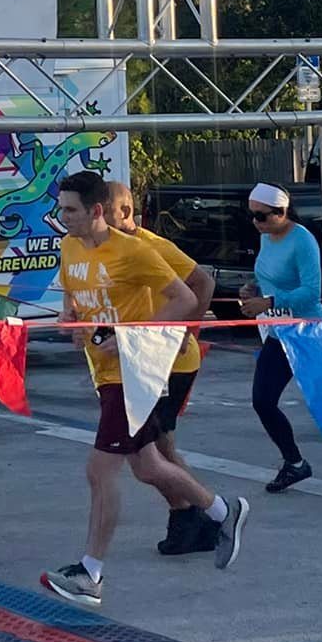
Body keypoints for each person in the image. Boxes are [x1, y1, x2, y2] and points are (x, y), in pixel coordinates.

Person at [41, 171, 249, 607]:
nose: (63, 219)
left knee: (100, 471)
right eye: (62, 210)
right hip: (103, 372)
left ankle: (91, 573)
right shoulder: (68, 247)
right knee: (148, 466)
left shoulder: (134, 251)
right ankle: (222, 511)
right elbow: (73, 307)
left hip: (133, 372)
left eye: (71, 211)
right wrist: (72, 325)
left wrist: (132, 335)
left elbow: (186, 298)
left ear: (96, 211)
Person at [104, 181, 220, 555]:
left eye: (106, 214)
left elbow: (202, 281)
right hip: (143, 359)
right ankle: (191, 516)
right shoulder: (107, 250)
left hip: (172, 362)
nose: (100, 222)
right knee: (155, 450)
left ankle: (202, 515)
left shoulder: (152, 246)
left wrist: (189, 329)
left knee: (153, 452)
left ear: (126, 211)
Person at [235, 182, 322, 497]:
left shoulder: (303, 241)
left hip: (309, 331)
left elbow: (312, 291)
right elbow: (268, 278)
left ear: (282, 212)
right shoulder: (266, 237)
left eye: (261, 216)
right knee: (262, 400)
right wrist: (254, 291)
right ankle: (294, 462)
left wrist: (270, 302)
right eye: (252, 216)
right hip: (278, 332)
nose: (256, 223)